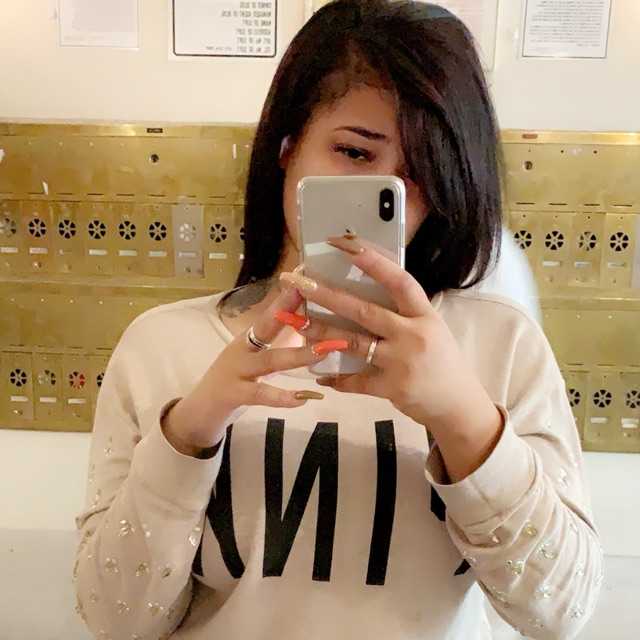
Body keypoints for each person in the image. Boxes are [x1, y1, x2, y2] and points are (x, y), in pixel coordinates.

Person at [74, 2, 603, 639]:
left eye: (420, 175)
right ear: (287, 146)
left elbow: (560, 611)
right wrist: (189, 431)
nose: (384, 195)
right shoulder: (163, 347)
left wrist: (464, 420)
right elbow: (115, 619)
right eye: (353, 152)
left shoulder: (501, 344)